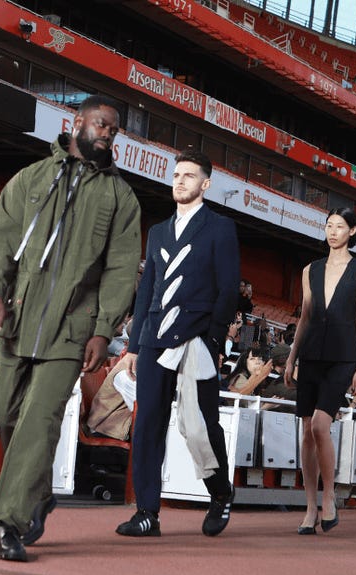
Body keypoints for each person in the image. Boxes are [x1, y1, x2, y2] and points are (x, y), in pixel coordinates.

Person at [0, 95, 140, 562]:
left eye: (114, 129)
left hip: (72, 331)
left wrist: (102, 330)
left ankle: (8, 522)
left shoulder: (119, 197)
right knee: (6, 413)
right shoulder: (32, 178)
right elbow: (2, 239)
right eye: (102, 124)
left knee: (39, 421)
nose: (108, 133)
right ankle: (39, 491)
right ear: (77, 123)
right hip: (19, 319)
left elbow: (121, 268)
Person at [117, 149, 238, 539]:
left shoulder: (220, 227)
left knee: (200, 426)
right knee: (148, 424)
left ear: (205, 184)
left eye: (188, 175)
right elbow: (146, 290)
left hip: (197, 339)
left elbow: (227, 289)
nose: (179, 181)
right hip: (153, 340)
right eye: (176, 175)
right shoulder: (157, 231)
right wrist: (134, 345)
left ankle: (220, 493)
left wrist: (215, 339)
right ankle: (146, 512)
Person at [285, 207, 356, 534]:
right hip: (311, 354)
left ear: (352, 231)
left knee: (322, 425)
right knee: (307, 431)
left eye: (339, 226)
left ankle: (329, 497)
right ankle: (310, 508)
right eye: (328, 225)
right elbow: (305, 316)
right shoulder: (311, 269)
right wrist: (292, 356)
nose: (332, 231)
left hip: (343, 356)